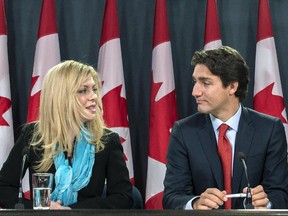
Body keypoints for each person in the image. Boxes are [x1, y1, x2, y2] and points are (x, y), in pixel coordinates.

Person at [163, 46, 288, 210]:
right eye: (195, 82)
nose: (195, 91)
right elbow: (172, 197)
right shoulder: (184, 131)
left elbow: (281, 195)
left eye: (205, 83)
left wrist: (266, 202)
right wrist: (195, 203)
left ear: (232, 87)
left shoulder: (270, 129)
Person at [0, 60, 133, 209]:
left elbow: (123, 197)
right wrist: (41, 207)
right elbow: (3, 188)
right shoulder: (33, 137)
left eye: (94, 89)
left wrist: (71, 212)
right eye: (83, 91)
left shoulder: (107, 140)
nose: (94, 97)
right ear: (61, 97)